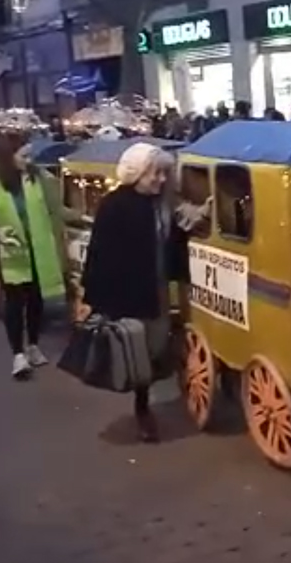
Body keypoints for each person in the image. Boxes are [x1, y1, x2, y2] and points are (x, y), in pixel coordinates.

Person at [81, 144, 202, 443]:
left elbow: (172, 239)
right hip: (129, 293)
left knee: (153, 350)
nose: (161, 179)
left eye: (164, 173)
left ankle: (145, 400)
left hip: (157, 289)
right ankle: (143, 409)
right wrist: (90, 298)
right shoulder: (114, 205)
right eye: (155, 173)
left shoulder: (162, 204)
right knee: (137, 355)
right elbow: (98, 254)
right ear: (137, 173)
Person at [0, 130, 73, 380]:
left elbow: (56, 209)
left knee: (36, 296)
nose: (29, 159)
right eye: (24, 155)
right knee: (15, 299)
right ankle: (18, 354)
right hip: (6, 249)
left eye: (30, 154)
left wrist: (90, 216)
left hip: (37, 246)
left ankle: (33, 344)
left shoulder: (38, 178)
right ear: (7, 155)